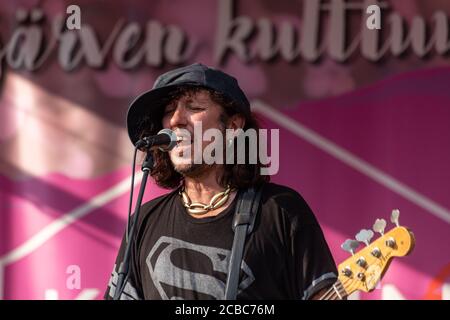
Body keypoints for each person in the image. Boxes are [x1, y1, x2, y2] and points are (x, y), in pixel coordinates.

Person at [104, 63, 337, 300]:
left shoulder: (280, 210)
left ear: (233, 126)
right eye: (168, 110)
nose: (175, 120)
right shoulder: (145, 220)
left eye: (194, 107)